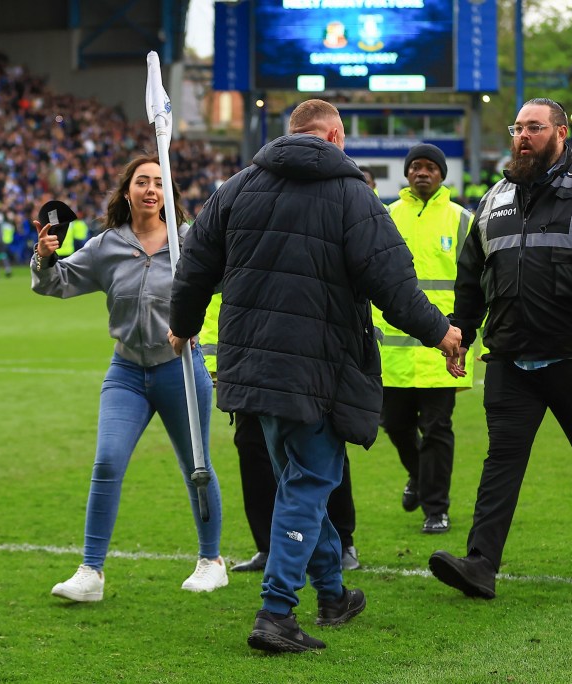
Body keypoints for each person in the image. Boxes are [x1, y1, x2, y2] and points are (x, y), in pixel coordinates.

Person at [168, 99, 462, 653]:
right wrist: (441, 333)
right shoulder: (354, 196)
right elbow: (394, 286)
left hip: (251, 368)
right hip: (319, 368)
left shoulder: (235, 188)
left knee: (301, 481)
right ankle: (277, 612)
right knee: (308, 484)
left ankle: (333, 594)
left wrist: (182, 326)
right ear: (334, 136)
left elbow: (193, 268)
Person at [427, 97, 572, 599]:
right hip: (510, 355)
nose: (522, 136)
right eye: (517, 128)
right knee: (501, 458)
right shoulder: (493, 199)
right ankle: (481, 563)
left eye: (534, 128)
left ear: (561, 134)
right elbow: (472, 273)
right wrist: (461, 329)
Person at [33, 155, 227, 603]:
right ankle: (91, 572)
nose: (151, 189)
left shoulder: (188, 242)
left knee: (196, 469)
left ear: (168, 194)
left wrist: (191, 318)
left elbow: (224, 279)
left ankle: (211, 561)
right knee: (106, 463)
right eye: (143, 181)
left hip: (179, 370)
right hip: (125, 372)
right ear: (127, 192)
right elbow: (57, 282)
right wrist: (44, 258)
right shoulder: (107, 246)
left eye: (159, 182)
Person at [199, 297, 362, 573]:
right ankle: (268, 546)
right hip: (246, 348)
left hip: (301, 343)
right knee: (251, 444)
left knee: (323, 443)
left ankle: (343, 542)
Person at [376, 143, 475, 535]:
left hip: (443, 347)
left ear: (441, 174)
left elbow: (473, 284)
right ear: (406, 174)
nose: (422, 172)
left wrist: (466, 337)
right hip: (394, 352)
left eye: (430, 167)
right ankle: (418, 475)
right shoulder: (385, 217)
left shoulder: (461, 220)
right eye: (415, 166)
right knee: (395, 426)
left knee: (437, 428)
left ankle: (436, 508)